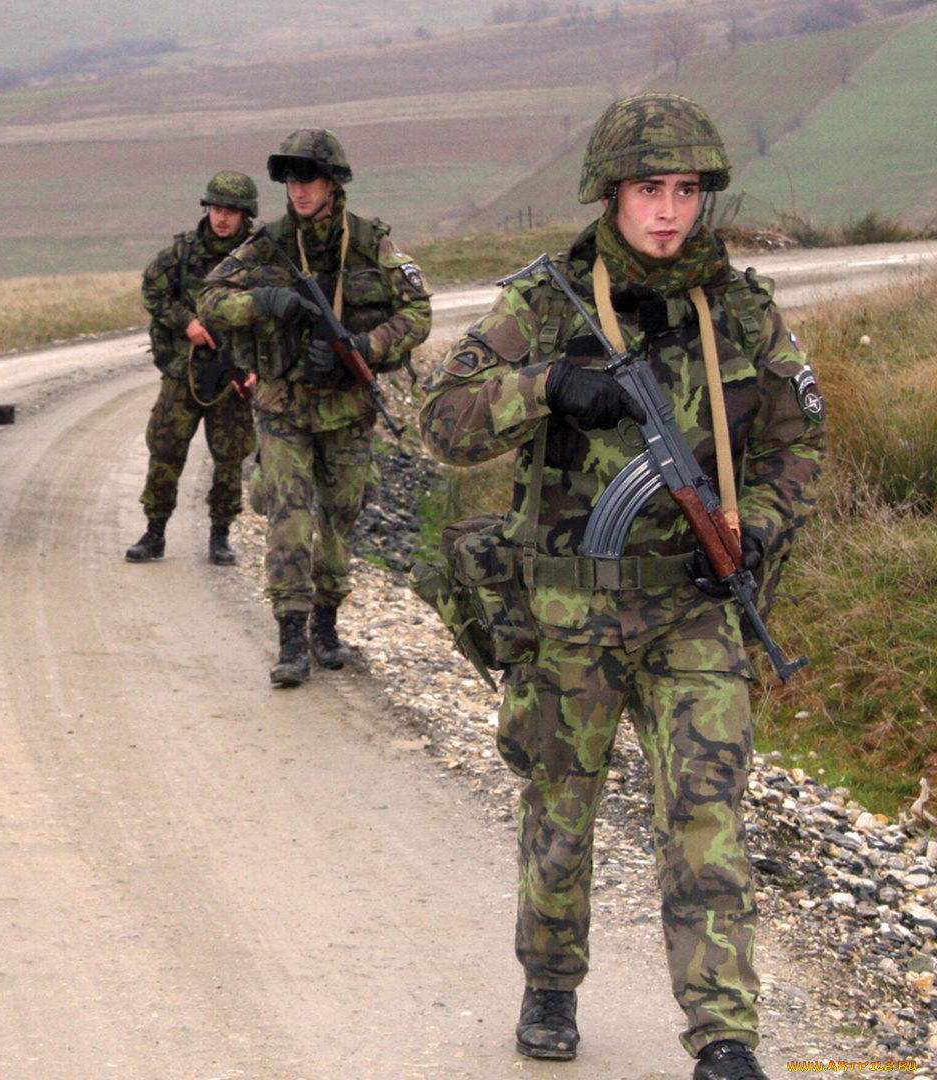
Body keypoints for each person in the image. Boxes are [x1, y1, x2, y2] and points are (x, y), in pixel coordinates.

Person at [418, 94, 824, 1080]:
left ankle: (724, 1035)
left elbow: (795, 446)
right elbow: (445, 418)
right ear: (612, 194)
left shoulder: (738, 310)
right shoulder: (547, 301)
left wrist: (749, 532)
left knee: (708, 815)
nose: (670, 212)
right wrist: (549, 384)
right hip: (571, 611)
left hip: (692, 609)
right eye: (651, 190)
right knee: (563, 806)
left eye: (686, 191)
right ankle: (551, 979)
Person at [199, 129, 432, 686]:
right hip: (283, 405)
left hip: (348, 410)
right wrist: (262, 302)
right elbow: (210, 300)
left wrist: (364, 347)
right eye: (291, 179)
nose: (298, 190)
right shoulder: (270, 243)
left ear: (334, 183)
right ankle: (290, 637)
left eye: (309, 178)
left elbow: (418, 313)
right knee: (289, 518)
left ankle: (326, 624)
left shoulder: (372, 242)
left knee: (341, 518)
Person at [127, 170, 258, 565]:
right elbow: (152, 288)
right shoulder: (183, 252)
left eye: (231, 211)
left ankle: (221, 535)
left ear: (245, 215)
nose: (222, 218)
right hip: (183, 371)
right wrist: (186, 322)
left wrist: (256, 368)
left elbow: (273, 315)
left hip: (230, 373)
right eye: (217, 208)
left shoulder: (258, 256)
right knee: (165, 451)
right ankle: (154, 533)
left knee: (230, 456)